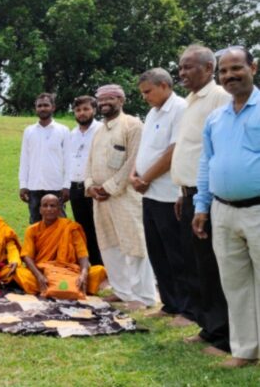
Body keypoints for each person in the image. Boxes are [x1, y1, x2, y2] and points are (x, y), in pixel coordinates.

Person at [193, 46, 260, 368]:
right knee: (235, 285)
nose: (230, 76)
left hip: (257, 209)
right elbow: (207, 162)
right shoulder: (216, 118)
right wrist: (201, 206)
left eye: (236, 68)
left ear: (253, 68)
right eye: (224, 71)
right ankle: (245, 351)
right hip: (222, 211)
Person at [171, 45, 231, 355]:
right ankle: (208, 326)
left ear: (209, 68)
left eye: (188, 67)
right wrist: (181, 192)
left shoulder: (219, 97)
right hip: (189, 194)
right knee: (198, 265)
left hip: (206, 197)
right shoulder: (191, 101)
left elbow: (217, 151)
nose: (181, 72)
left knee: (213, 266)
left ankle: (224, 334)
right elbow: (189, 149)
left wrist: (202, 200)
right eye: (180, 67)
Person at [85, 84, 156, 310]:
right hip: (100, 199)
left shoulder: (133, 125)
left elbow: (134, 161)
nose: (104, 103)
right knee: (109, 244)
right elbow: (89, 162)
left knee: (133, 243)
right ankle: (122, 291)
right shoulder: (99, 131)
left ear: (121, 100)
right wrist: (90, 186)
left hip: (124, 196)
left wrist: (108, 187)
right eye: (101, 100)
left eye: (110, 99)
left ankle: (143, 296)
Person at [129, 68, 190, 323]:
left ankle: (187, 308)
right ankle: (169, 303)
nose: (145, 97)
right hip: (149, 194)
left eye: (148, 91)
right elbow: (144, 150)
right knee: (157, 250)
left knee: (176, 253)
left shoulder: (180, 108)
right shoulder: (153, 112)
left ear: (164, 85)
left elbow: (173, 152)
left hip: (168, 194)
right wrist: (134, 174)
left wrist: (145, 178)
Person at [15, 194, 107, 295]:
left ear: (59, 210)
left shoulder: (71, 227)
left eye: (52, 206)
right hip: (43, 271)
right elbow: (27, 256)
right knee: (20, 273)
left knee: (99, 270)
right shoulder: (32, 230)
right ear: (40, 210)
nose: (49, 209)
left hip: (69, 270)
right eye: (45, 206)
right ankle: (67, 286)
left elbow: (82, 254)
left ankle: (55, 286)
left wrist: (83, 275)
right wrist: (39, 276)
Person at [18, 93, 70, 224]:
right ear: (35, 108)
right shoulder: (29, 131)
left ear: (53, 107)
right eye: (39, 106)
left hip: (56, 186)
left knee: (59, 224)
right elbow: (25, 159)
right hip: (34, 186)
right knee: (35, 223)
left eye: (46, 105)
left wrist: (66, 186)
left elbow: (69, 161)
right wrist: (23, 185)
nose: (42, 108)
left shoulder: (63, 130)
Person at [68, 95, 103, 265]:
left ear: (94, 110)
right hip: (75, 187)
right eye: (78, 110)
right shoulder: (72, 134)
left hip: (95, 186)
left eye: (86, 109)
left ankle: (104, 267)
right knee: (83, 228)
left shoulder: (101, 130)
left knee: (100, 228)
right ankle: (90, 266)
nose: (82, 113)